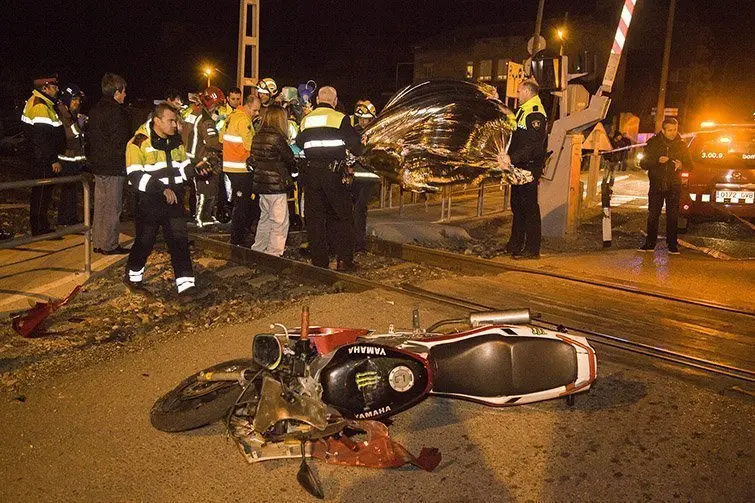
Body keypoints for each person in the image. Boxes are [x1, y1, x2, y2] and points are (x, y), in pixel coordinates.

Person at [124, 104, 210, 299]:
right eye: (171, 120)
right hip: (149, 202)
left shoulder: (176, 141)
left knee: (179, 241)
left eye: (176, 120)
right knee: (145, 242)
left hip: (174, 201)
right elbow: (135, 176)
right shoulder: (138, 143)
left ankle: (186, 285)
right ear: (157, 121)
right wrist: (161, 189)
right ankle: (133, 277)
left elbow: (183, 168)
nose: (175, 124)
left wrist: (197, 170)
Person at [295, 86, 363, 271]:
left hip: (311, 176)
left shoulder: (306, 120)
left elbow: (299, 144)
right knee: (342, 217)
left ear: (317, 100)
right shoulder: (340, 118)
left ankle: (319, 262)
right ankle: (344, 260)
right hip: (333, 175)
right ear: (334, 101)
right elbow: (357, 147)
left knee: (315, 219)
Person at [503, 79, 548, 260]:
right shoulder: (523, 110)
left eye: (519, 91)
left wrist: (512, 158)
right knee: (517, 206)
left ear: (528, 92)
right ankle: (515, 243)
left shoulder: (535, 114)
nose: (517, 94)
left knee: (529, 208)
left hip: (529, 167)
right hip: (519, 167)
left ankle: (532, 248)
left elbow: (533, 146)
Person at [88, 73, 131, 254]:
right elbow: (120, 141)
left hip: (98, 165)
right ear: (116, 92)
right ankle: (110, 245)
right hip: (114, 166)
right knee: (113, 207)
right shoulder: (118, 113)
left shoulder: (95, 110)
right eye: (123, 92)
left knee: (100, 206)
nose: (125, 95)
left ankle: (98, 242)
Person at [638, 117, 693, 255]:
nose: (673, 133)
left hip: (674, 185)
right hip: (656, 185)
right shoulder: (653, 143)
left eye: (675, 129)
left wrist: (682, 165)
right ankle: (650, 243)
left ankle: (672, 244)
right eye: (670, 130)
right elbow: (643, 163)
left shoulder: (681, 145)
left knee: (673, 216)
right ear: (663, 130)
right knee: (653, 215)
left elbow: (690, 166)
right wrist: (657, 160)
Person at [21, 75, 65, 236]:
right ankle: (40, 228)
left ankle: (40, 225)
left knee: (41, 192)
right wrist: (52, 159)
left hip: (39, 157)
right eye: (54, 87)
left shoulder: (42, 103)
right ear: (45, 88)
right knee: (42, 192)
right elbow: (42, 137)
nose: (57, 90)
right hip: (43, 159)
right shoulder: (40, 106)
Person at [250, 105, 296, 256]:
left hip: (261, 184)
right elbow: (289, 158)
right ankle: (274, 253)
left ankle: (258, 248)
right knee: (279, 221)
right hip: (276, 185)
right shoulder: (277, 138)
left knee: (265, 219)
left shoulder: (257, 136)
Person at [182, 86, 224, 228]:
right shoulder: (206, 120)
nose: (217, 108)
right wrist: (225, 147)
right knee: (207, 191)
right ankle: (204, 220)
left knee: (197, 191)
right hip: (202, 158)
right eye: (217, 104)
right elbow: (211, 142)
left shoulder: (193, 113)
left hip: (189, 158)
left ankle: (201, 218)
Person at [222, 94, 261, 245]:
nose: (256, 113)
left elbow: (221, 139)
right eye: (255, 110)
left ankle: (239, 235)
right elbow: (249, 145)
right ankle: (238, 238)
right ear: (248, 106)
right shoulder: (244, 120)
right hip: (241, 167)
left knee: (241, 202)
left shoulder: (230, 117)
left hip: (230, 165)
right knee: (242, 204)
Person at [351, 100, 381, 252]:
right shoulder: (352, 131)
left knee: (360, 209)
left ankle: (359, 243)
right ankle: (352, 240)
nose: (362, 122)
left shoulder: (377, 133)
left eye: (366, 119)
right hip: (354, 176)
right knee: (353, 209)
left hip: (369, 177)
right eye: (360, 118)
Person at [55, 84, 87, 226]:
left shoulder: (72, 113)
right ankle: (65, 220)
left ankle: (70, 219)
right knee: (67, 192)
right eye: (74, 99)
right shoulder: (61, 113)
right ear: (67, 99)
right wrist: (79, 126)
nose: (77, 102)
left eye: (79, 100)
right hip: (66, 160)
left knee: (72, 192)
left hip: (74, 160)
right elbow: (67, 134)